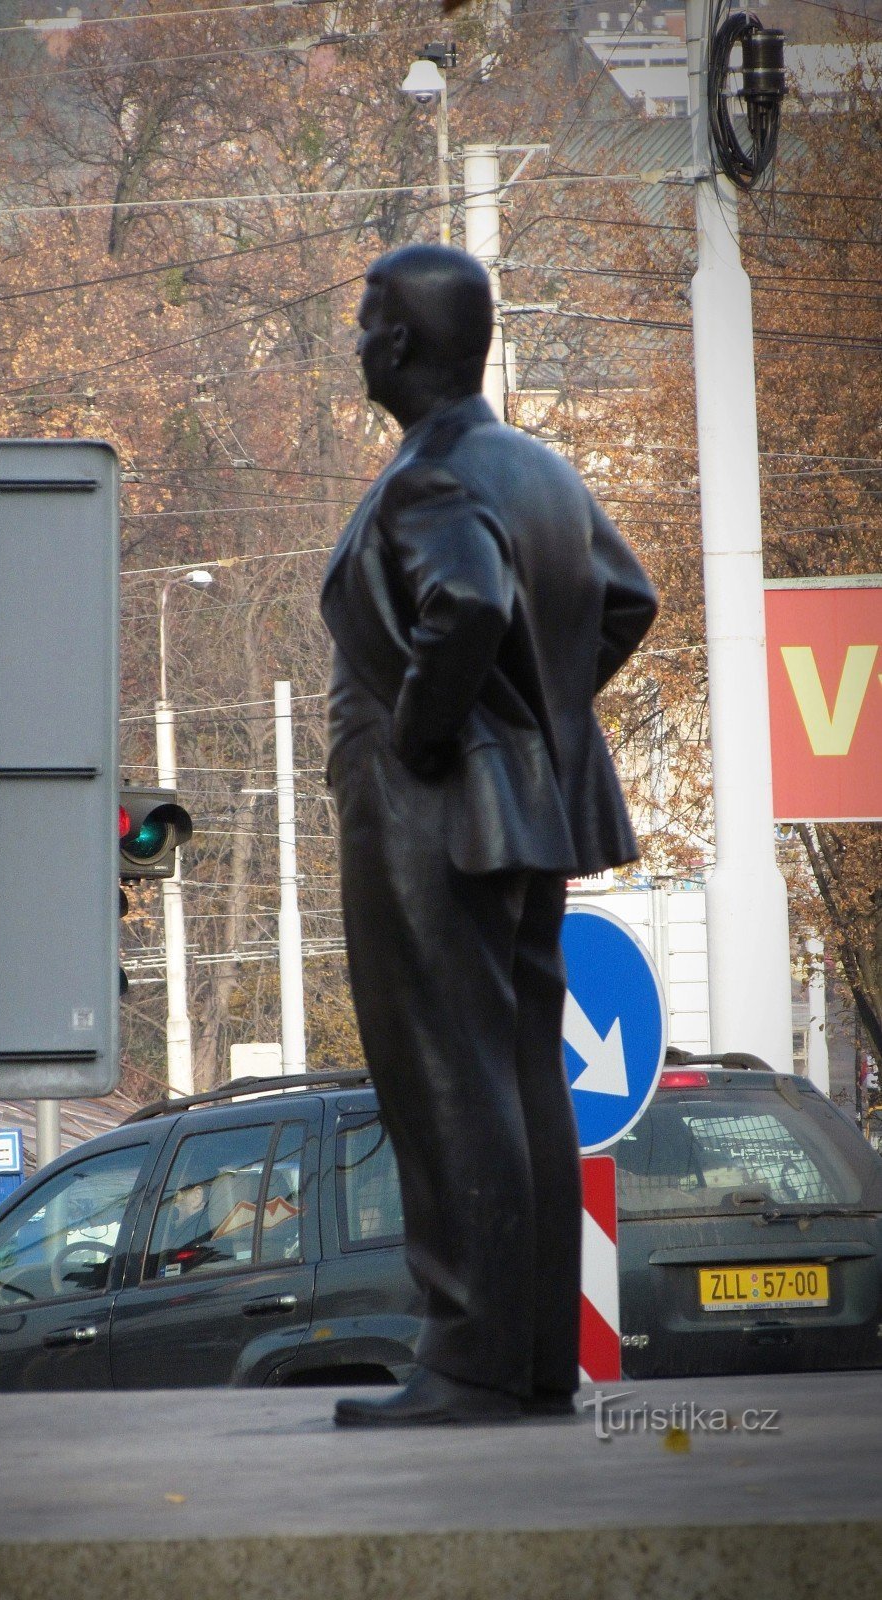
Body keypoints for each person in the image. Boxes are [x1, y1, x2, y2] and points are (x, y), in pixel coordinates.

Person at [320, 243, 658, 1427]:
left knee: (447, 1078)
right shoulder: (540, 469)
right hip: (527, 809)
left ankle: (468, 1358)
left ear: (401, 342)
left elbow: (462, 604)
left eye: (367, 320)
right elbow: (623, 599)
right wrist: (540, 712)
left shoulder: (429, 477)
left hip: (430, 813)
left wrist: (429, 733)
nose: (358, 340)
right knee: (520, 1075)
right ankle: (528, 1361)